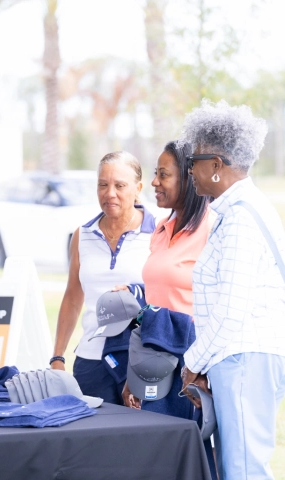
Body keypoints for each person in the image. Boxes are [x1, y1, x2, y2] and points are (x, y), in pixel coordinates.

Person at [179, 100, 285, 479]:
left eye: (193, 161)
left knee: (242, 471)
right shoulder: (244, 210)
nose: (189, 170)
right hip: (245, 358)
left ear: (217, 166)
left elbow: (230, 310)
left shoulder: (240, 218)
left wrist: (193, 362)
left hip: (243, 359)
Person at [50, 151, 155, 405]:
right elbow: (73, 297)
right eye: (103, 185)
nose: (110, 193)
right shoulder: (82, 235)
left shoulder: (158, 232)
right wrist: (57, 356)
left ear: (138, 188)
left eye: (120, 186)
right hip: (90, 362)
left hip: (140, 360)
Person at [121, 140, 211, 409]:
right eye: (155, 173)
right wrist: (135, 372)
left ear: (188, 177)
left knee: (187, 446)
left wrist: (201, 371)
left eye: (163, 174)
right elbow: (154, 302)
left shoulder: (211, 228)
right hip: (155, 359)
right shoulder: (161, 229)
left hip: (192, 364)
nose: (154, 182)